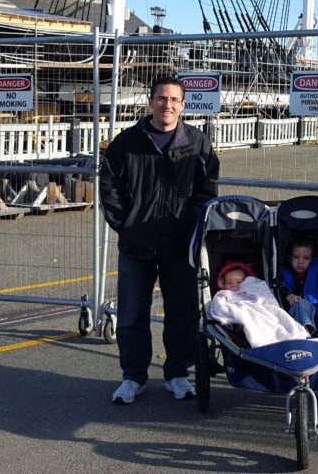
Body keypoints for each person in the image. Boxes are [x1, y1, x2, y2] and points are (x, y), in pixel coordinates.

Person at [100, 74, 220, 405]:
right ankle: (133, 376)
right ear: (150, 100)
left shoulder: (197, 143)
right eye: (161, 98)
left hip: (180, 245)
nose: (167, 105)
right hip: (136, 243)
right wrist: (125, 224)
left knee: (182, 312)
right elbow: (108, 186)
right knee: (131, 313)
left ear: (183, 104)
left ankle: (177, 374)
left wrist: (190, 227)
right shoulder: (128, 142)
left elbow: (207, 189)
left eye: (174, 100)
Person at [208, 261, 306, 347]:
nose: (234, 285)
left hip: (262, 310)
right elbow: (219, 307)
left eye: (239, 282)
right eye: (229, 283)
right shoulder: (224, 294)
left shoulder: (252, 288)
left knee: (276, 319)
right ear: (223, 284)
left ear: (246, 281)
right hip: (243, 312)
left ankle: (285, 336)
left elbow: (263, 300)